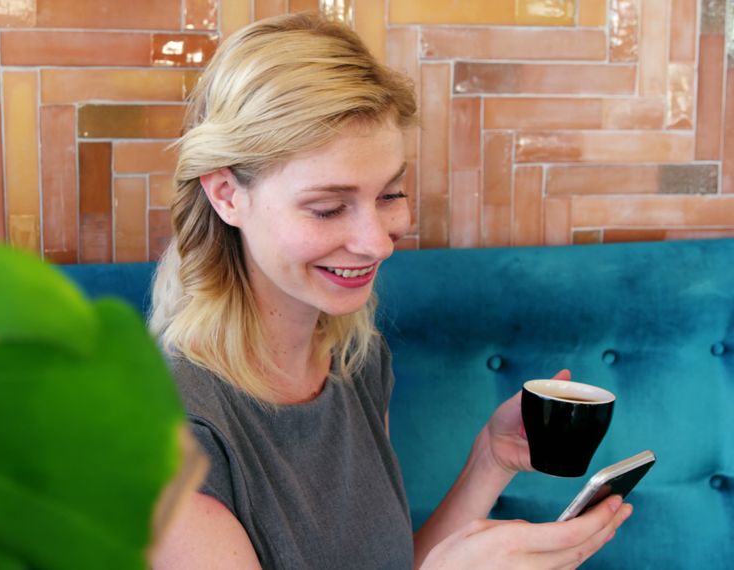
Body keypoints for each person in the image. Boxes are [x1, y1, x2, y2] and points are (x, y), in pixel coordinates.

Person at [147, 12, 633, 570]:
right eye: (328, 207)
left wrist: (490, 462)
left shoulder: (355, 358)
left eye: (389, 195)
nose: (377, 243)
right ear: (228, 194)